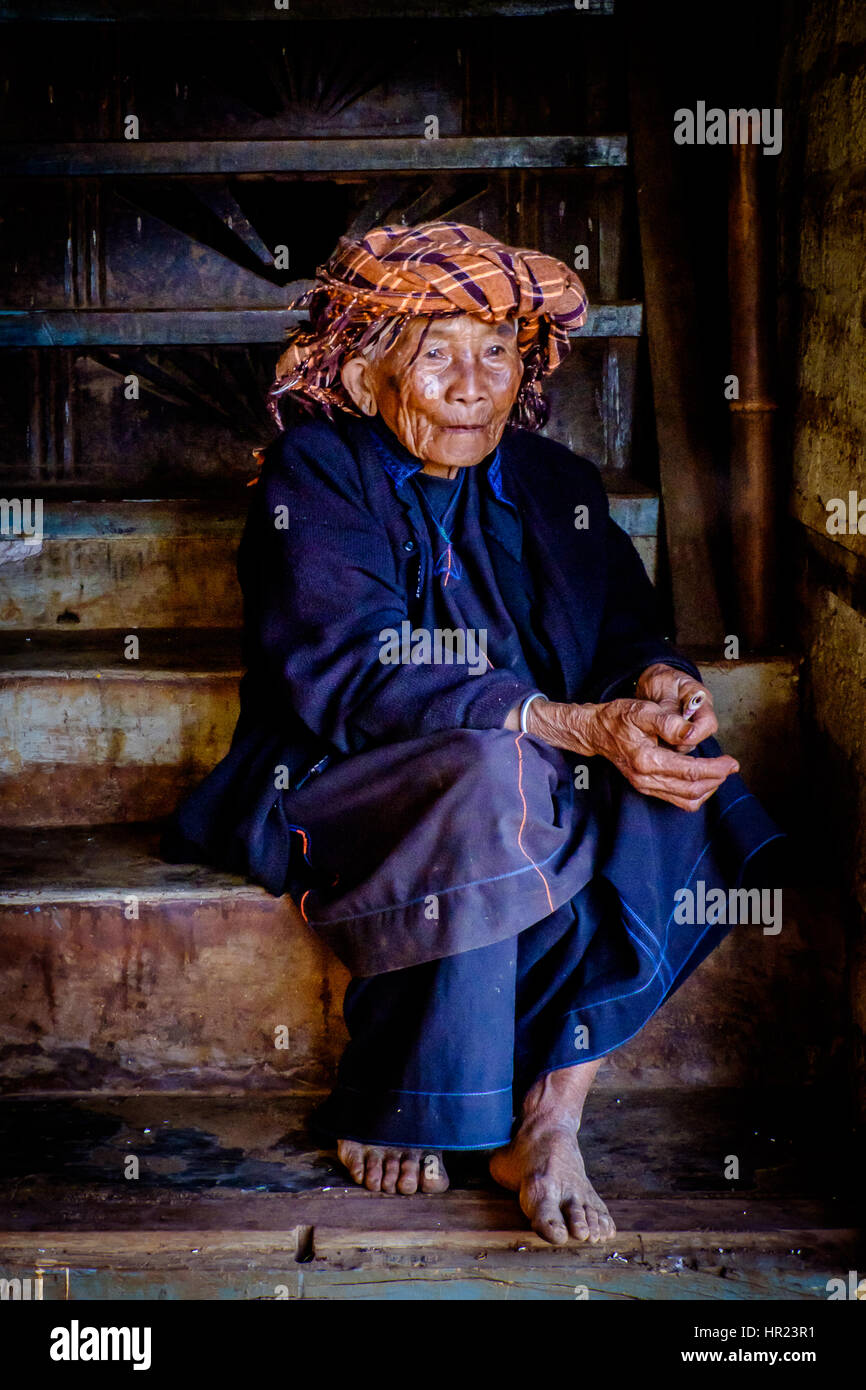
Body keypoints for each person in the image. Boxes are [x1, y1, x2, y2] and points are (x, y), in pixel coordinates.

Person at [165, 220, 784, 1246]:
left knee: (678, 780)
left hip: (531, 763)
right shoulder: (316, 474)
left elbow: (623, 631)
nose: (470, 383)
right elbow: (349, 669)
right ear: (367, 380)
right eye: (435, 352)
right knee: (494, 774)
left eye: (494, 351)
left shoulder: (556, 485)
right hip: (342, 775)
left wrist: (661, 685)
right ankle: (419, 1089)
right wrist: (561, 721)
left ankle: (548, 1118)